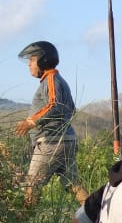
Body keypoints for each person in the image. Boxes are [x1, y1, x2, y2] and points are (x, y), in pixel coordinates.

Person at [14, 41, 87, 208]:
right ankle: (97, 218)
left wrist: (31, 121)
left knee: (32, 186)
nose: (29, 65)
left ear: (42, 60)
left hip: (51, 143)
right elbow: (71, 109)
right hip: (65, 140)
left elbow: (54, 104)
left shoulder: (51, 79)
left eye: (31, 60)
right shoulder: (59, 81)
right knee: (73, 184)